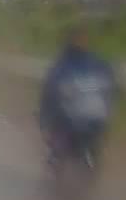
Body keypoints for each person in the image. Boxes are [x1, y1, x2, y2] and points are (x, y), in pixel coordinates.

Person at [38, 24, 119, 168]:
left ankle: (61, 159)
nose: (81, 42)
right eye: (78, 39)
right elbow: (50, 90)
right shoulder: (63, 65)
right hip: (72, 116)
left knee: (92, 138)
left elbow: (111, 81)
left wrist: (112, 91)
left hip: (90, 116)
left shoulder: (95, 62)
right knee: (59, 139)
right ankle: (56, 159)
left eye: (82, 39)